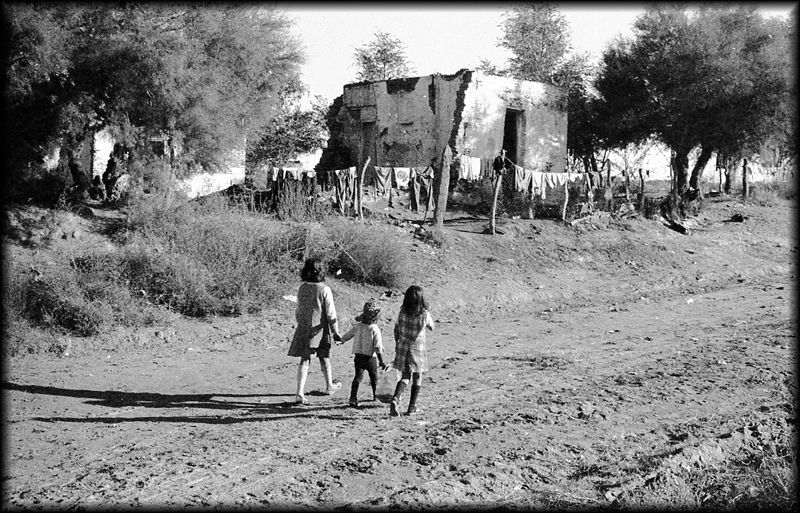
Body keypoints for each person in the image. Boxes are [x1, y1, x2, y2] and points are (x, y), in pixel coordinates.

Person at [287, 258, 343, 405]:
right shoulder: (324, 289)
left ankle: (300, 392)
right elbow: (331, 314)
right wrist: (336, 332)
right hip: (320, 329)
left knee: (305, 360)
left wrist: (301, 324)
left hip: (305, 327)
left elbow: (298, 310)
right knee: (324, 357)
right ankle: (329, 386)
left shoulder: (302, 288)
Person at [388, 285, 435, 416]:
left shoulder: (402, 312)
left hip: (403, 348)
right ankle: (412, 407)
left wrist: (397, 342)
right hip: (417, 349)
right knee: (417, 376)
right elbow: (432, 327)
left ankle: (395, 399)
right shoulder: (424, 314)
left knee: (405, 377)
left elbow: (396, 329)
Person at [339, 299, 388, 408]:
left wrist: (341, 340)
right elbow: (378, 347)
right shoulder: (375, 329)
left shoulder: (358, 326)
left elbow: (348, 335)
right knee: (374, 377)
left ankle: (353, 397)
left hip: (358, 356)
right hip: (370, 358)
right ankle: (376, 396)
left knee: (358, 377)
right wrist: (381, 361)